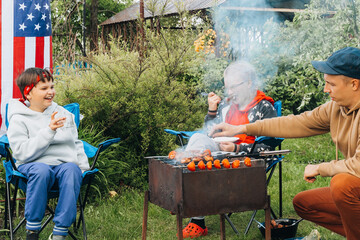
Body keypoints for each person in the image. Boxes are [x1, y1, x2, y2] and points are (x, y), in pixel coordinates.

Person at [211, 47, 360, 240]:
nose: (326, 89)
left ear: (354, 84)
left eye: (331, 84)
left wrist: (320, 168)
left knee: (341, 183)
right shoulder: (335, 108)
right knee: (304, 204)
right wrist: (241, 129)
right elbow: (296, 123)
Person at [181, 61, 277, 238]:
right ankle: (186, 197)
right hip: (219, 154)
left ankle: (194, 215)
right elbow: (210, 132)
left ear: (249, 83)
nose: (230, 92)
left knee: (205, 159)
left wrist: (237, 147)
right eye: (227, 88)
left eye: (234, 87)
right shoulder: (226, 106)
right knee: (197, 139)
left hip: (247, 162)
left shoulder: (264, 108)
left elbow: (269, 146)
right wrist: (212, 111)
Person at [7, 68, 90, 240]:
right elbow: (22, 153)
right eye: (44, 88)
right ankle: (32, 230)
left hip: (62, 166)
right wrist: (49, 130)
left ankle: (60, 233)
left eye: (52, 87)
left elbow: (76, 143)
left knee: (72, 170)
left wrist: (83, 167)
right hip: (32, 165)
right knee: (41, 170)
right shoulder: (19, 118)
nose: (50, 92)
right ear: (28, 93)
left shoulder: (63, 114)